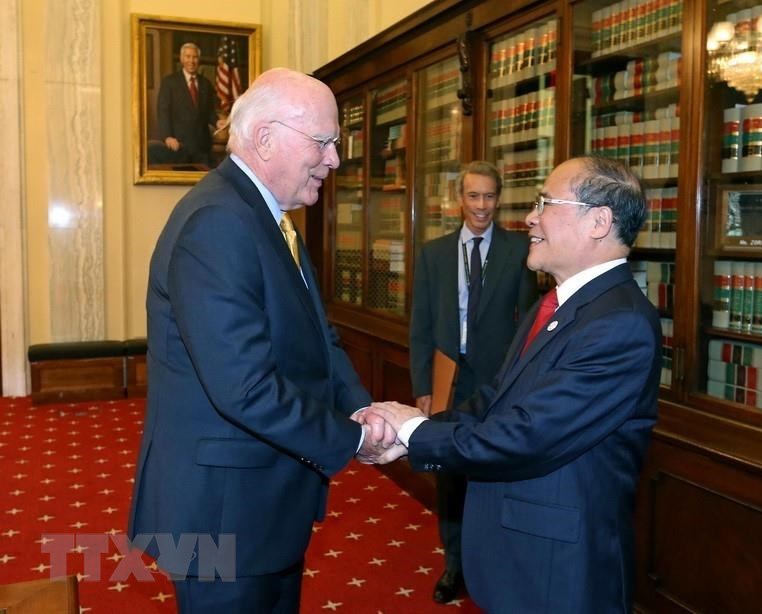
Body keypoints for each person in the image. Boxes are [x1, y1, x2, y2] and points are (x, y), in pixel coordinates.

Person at [129, 67, 397, 613]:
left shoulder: (263, 215)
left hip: (259, 504)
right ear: (266, 137)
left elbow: (318, 337)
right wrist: (351, 440)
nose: (334, 160)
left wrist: (361, 406)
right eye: (323, 142)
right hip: (222, 514)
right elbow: (244, 388)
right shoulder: (218, 222)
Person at [366, 155, 662, 613]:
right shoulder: (555, 304)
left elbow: (528, 434)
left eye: (546, 202)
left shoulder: (620, 323)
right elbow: (492, 400)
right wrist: (417, 433)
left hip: (559, 574)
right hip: (519, 557)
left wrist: (414, 431)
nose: (530, 217)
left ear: (599, 222)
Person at [409, 160, 537, 603]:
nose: (481, 205)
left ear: (498, 200)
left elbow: (528, 327)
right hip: (449, 381)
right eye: (473, 196)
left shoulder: (520, 251)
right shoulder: (433, 254)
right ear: (458, 200)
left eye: (489, 196)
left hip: (498, 387)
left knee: (495, 477)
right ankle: (454, 566)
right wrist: (422, 387)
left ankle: (494, 566)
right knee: (451, 481)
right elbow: (421, 326)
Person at [155, 42, 223, 166]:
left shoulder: (205, 84)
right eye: (188, 56)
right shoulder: (169, 83)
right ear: (181, 59)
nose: (191, 61)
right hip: (178, 146)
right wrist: (167, 137)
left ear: (199, 60)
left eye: (195, 57)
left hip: (203, 147)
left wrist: (217, 122)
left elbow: (209, 112)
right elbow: (163, 111)